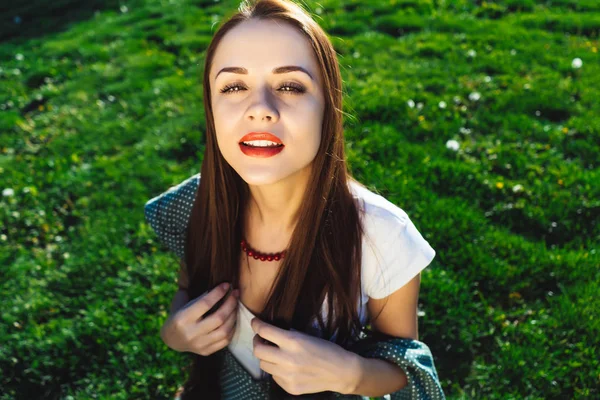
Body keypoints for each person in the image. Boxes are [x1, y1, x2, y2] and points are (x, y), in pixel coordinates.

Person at [144, 0, 445, 399]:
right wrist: (175, 332)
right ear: (211, 109)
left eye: (290, 86)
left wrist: (351, 374)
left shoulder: (381, 234)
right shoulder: (201, 201)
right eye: (234, 86)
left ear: (328, 107)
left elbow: (403, 362)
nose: (260, 110)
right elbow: (188, 289)